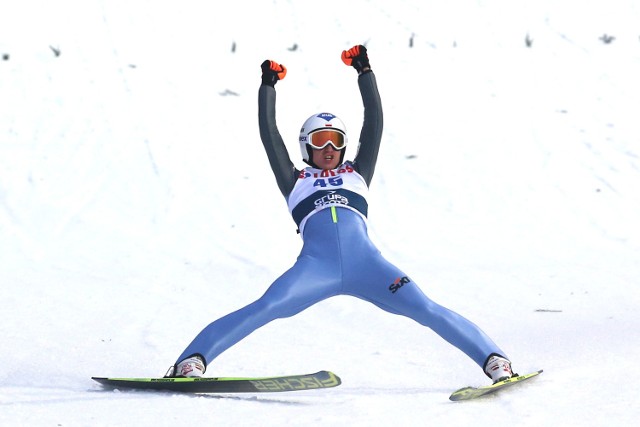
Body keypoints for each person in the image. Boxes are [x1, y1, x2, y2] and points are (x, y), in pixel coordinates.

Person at [165, 45, 515, 384]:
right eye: (319, 141)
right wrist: (267, 86)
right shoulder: (294, 180)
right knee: (265, 307)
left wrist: (365, 71)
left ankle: (494, 360)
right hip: (315, 269)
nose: (328, 148)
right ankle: (191, 361)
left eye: (335, 140)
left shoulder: (358, 173)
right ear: (306, 146)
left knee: (425, 308)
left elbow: (374, 121)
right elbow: (268, 133)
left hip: (370, 268)